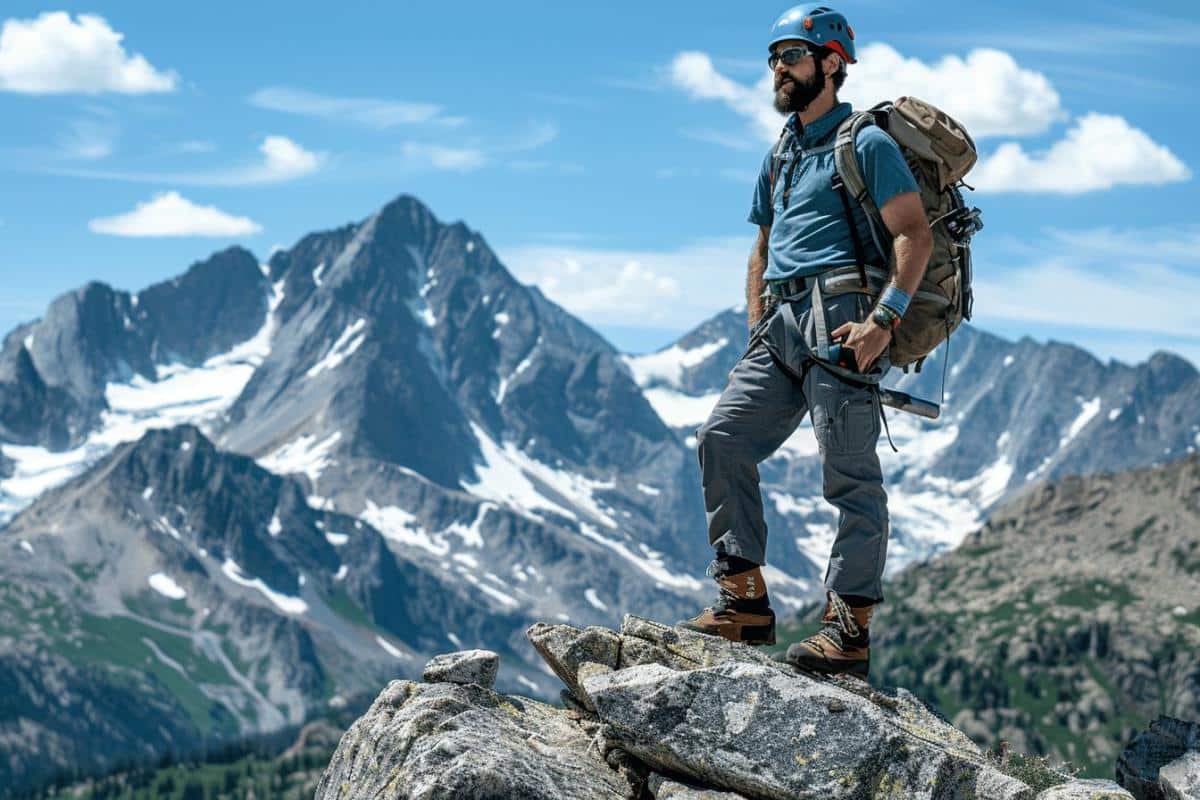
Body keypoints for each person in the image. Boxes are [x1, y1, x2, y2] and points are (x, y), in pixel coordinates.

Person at [678, 4, 933, 679]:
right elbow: (761, 245)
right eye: (773, 59)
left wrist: (884, 320)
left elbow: (914, 233)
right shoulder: (782, 152)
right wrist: (756, 319)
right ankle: (744, 602)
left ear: (831, 62)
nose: (777, 70)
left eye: (790, 56)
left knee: (849, 475)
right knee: (722, 438)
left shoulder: (866, 142)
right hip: (781, 326)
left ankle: (848, 632)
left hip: (843, 318)